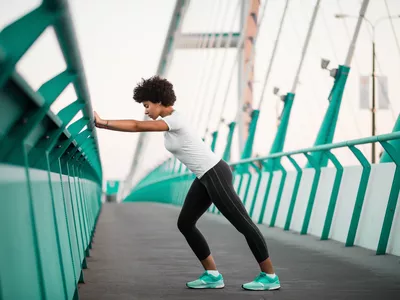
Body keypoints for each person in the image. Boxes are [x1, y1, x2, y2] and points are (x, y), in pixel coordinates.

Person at [93, 76, 281, 291]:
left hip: (215, 173)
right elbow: (139, 123)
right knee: (185, 223)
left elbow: (137, 126)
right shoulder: (170, 122)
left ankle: (270, 276)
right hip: (204, 177)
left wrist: (103, 123)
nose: (146, 111)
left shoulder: (175, 120)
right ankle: (212, 275)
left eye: (146, 105)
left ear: (158, 101)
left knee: (243, 224)